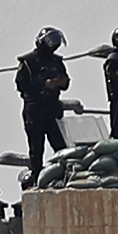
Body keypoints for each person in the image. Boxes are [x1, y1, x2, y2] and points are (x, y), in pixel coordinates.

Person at [14, 26, 70, 187]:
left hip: (51, 108)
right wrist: (43, 84)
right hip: (35, 109)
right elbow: (21, 84)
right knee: (36, 148)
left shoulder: (56, 61)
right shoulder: (28, 62)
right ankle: (38, 177)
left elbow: (66, 81)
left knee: (60, 147)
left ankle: (65, 175)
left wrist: (60, 82)